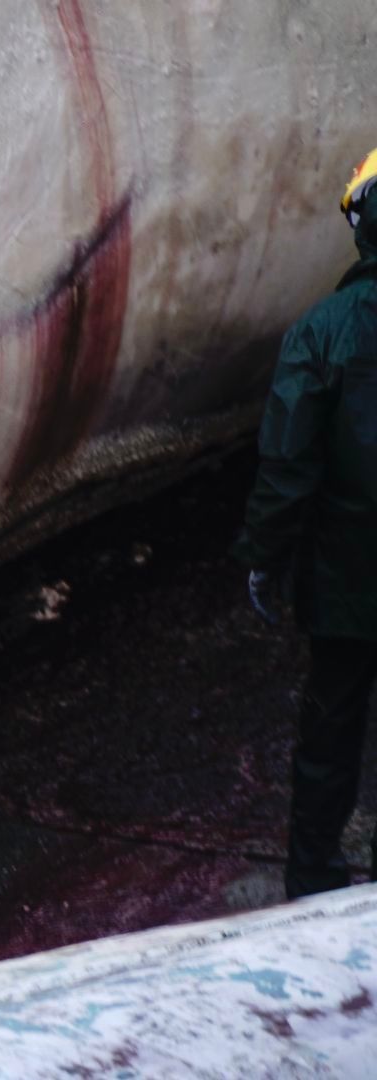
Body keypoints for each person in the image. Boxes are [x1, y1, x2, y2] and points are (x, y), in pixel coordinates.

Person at [233, 147, 377, 901]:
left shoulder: (322, 331)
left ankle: (316, 887)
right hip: (345, 581)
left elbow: (287, 465)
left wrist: (265, 556)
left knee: (329, 738)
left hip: (346, 583)